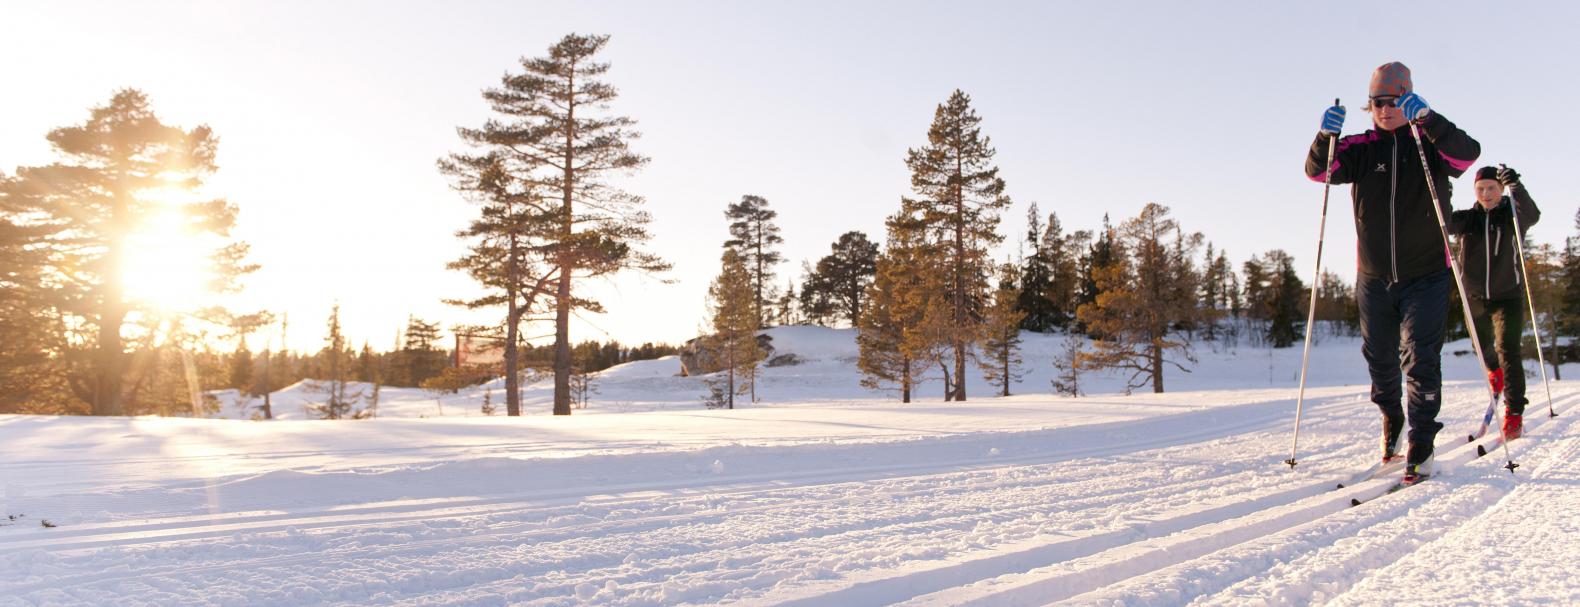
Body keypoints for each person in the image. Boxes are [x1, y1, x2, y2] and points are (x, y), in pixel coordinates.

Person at [1304, 62, 1481, 483]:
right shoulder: (1362, 147)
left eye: (1394, 101)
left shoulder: (1431, 142)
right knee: (1380, 360)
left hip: (1428, 273)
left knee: (1421, 359)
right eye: (1377, 102)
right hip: (1374, 275)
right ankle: (1392, 416)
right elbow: (1319, 171)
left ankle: (1421, 440)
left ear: (1408, 98)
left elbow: (1468, 155)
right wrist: (1324, 137)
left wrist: (1429, 119)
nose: (1384, 109)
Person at [1449, 165, 1540, 439]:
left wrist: (1516, 187)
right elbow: (1440, 219)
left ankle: (1514, 414)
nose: (1486, 194)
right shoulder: (1467, 219)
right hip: (1474, 297)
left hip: (1508, 296)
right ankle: (1493, 371)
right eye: (1480, 189)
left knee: (1508, 350)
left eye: (1491, 188)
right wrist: (1444, 189)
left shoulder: (1512, 214)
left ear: (1500, 189)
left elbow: (1533, 214)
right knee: (1482, 345)